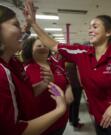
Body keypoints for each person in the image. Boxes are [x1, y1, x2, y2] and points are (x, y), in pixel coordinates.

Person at [25, 1, 111, 134]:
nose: (90, 30)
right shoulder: (81, 53)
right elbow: (53, 45)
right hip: (99, 117)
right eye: (90, 27)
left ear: (108, 32)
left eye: (95, 27)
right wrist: (33, 23)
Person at [0, 4, 67, 135]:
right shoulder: (5, 71)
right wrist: (60, 108)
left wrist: (45, 84)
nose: (21, 31)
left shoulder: (13, 62)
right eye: (15, 24)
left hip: (55, 123)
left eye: (45, 46)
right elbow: (13, 131)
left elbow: (26, 94)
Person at [22, 37, 73, 135]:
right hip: (42, 124)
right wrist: (49, 85)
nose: (43, 48)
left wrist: (69, 89)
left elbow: (66, 82)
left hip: (61, 120)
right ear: (30, 50)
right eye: (38, 46)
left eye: (45, 45)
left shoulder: (56, 66)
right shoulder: (25, 70)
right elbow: (25, 96)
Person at [66, 63, 84, 130]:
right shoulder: (76, 63)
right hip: (77, 85)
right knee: (76, 104)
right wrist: (82, 84)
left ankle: (71, 119)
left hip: (71, 85)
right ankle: (75, 123)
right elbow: (79, 75)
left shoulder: (68, 63)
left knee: (72, 103)